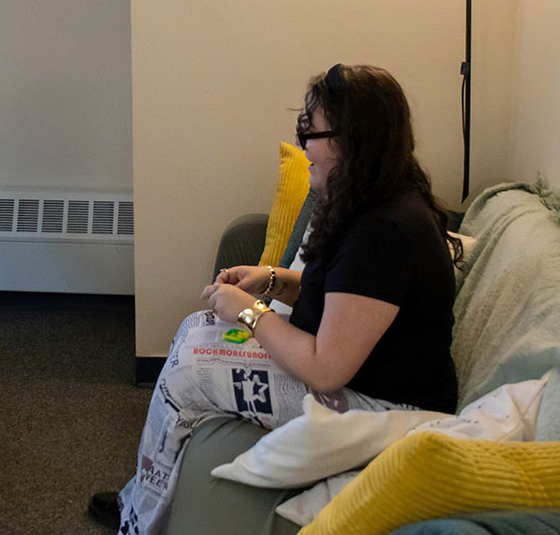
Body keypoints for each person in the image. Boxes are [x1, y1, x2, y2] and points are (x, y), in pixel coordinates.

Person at [89, 64, 462, 534]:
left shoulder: (384, 231)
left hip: (383, 407)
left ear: (351, 141)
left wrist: (250, 313)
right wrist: (270, 279)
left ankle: (139, 521)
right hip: (359, 380)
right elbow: (344, 296)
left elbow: (326, 369)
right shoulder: (371, 202)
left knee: (187, 374)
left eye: (310, 133)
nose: (303, 146)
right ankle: (143, 497)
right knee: (195, 328)